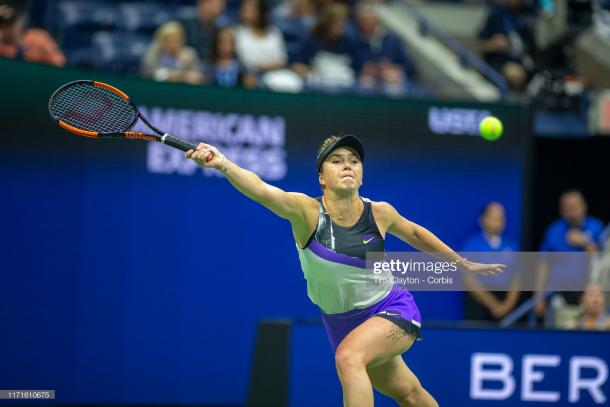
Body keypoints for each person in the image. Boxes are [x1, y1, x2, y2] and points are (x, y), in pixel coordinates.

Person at [185, 134, 504, 407]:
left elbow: (416, 234)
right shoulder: (306, 212)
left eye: (353, 160)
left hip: (392, 309)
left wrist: (461, 263)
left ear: (362, 174)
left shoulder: (379, 212)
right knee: (409, 394)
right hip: (341, 322)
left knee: (349, 358)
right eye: (336, 160)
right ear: (321, 177)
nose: (347, 164)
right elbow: (261, 190)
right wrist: (224, 164)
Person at [535, 189, 605, 317]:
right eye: (566, 207)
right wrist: (539, 296)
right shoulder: (554, 231)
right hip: (560, 295)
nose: (571, 211)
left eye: (574, 206)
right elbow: (543, 265)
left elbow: (604, 260)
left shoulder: (597, 227)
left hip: (591, 296)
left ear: (584, 206)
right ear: (561, 211)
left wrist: (584, 242)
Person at [462, 202, 521, 322]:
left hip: (505, 301)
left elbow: (517, 277)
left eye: (501, 218)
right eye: (493, 218)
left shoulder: (512, 246)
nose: (497, 222)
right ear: (482, 220)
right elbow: (468, 278)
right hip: (479, 302)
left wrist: (507, 305)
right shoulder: (472, 245)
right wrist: (493, 305)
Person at [353, 2, 415, 96]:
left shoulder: (392, 39)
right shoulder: (356, 40)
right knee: (364, 85)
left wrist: (392, 68)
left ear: (377, 21)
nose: (366, 24)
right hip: (368, 78)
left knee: (394, 86)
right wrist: (364, 70)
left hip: (390, 77)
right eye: (363, 21)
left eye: (369, 20)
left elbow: (407, 65)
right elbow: (353, 64)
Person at [0, 3, 65, 67]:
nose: (9, 28)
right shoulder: (1, 44)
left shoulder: (39, 38)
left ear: (19, 22)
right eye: (4, 25)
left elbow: (58, 63)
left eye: (11, 23)